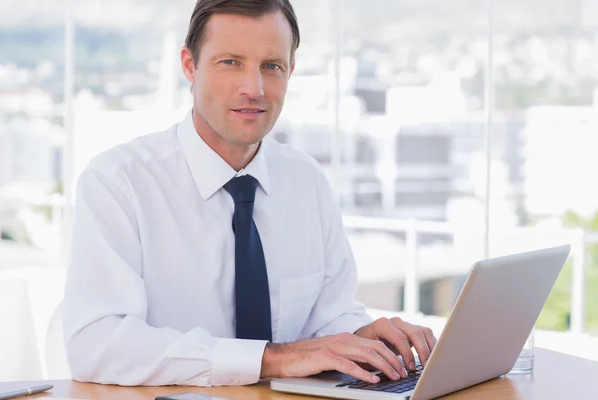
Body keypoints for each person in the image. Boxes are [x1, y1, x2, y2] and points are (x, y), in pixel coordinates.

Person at [63, 0, 437, 388]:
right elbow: (96, 344)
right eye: (230, 62)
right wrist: (270, 359)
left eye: (271, 66)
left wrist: (363, 339)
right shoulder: (119, 182)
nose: (254, 89)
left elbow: (328, 317)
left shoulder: (306, 180)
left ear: (290, 71)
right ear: (190, 66)